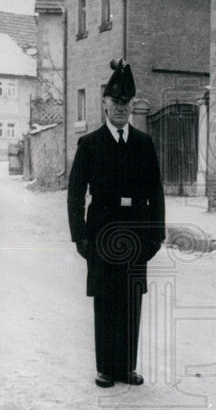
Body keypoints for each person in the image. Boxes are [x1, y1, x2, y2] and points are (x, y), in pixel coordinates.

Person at [67, 59, 165, 388]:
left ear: (131, 105)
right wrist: (79, 236)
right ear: (104, 103)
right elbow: (75, 194)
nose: (121, 109)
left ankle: (127, 366)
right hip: (102, 230)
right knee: (107, 300)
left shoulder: (143, 144)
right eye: (115, 102)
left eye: (126, 103)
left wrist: (156, 235)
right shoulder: (90, 144)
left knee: (131, 299)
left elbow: (156, 192)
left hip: (137, 231)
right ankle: (106, 368)